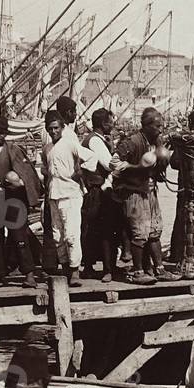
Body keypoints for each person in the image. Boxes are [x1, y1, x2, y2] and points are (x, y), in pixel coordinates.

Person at [111, 107, 177, 284]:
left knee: (155, 230)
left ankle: (159, 269)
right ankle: (138, 272)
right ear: (146, 125)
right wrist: (138, 168)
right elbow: (114, 163)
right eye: (157, 126)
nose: (160, 130)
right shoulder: (132, 142)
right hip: (134, 193)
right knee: (139, 233)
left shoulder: (157, 142)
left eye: (162, 126)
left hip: (150, 192)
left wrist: (161, 165)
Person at [0, 116, 42, 288]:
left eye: (1, 132)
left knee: (19, 236)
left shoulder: (13, 150)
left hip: (13, 198)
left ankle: (29, 275)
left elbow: (27, 174)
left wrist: (17, 182)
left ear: (6, 133)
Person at [44, 109, 99, 287]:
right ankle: (66, 268)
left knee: (71, 235)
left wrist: (79, 172)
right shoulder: (47, 149)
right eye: (50, 128)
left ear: (62, 128)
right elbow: (45, 168)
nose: (53, 131)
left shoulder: (70, 144)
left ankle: (75, 271)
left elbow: (92, 157)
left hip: (70, 194)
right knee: (57, 235)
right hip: (54, 194)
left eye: (56, 128)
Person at [168, 108, 194, 269]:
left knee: (181, 219)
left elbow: (174, 162)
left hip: (186, 187)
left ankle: (177, 255)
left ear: (191, 122)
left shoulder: (185, 140)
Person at [81, 108, 119, 282]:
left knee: (90, 229)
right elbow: (109, 164)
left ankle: (89, 266)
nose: (112, 125)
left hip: (91, 190)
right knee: (105, 230)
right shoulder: (96, 141)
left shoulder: (90, 139)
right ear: (103, 124)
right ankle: (107, 269)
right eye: (111, 122)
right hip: (98, 191)